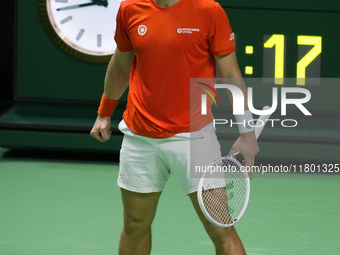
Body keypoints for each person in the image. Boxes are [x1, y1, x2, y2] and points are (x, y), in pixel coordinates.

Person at [90, 0, 259, 254]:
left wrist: (247, 134)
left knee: (220, 228)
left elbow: (231, 74)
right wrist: (104, 113)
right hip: (139, 137)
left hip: (194, 138)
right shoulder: (130, 9)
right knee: (134, 224)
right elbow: (122, 64)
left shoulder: (209, 11)